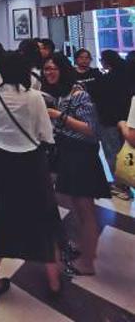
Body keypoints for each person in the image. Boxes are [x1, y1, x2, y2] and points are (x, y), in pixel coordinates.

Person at [0, 51, 61, 303]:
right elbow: (46, 135)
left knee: (3, 218)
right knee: (44, 216)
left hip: (3, 162)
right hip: (32, 163)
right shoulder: (35, 97)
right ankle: (53, 281)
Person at [42, 53, 110, 275]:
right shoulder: (63, 94)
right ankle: (84, 248)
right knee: (78, 209)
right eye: (46, 69)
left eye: (53, 68)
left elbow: (92, 130)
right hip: (69, 154)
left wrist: (59, 116)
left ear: (63, 70)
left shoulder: (79, 94)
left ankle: (88, 263)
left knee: (86, 210)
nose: (49, 73)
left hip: (82, 157)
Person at [96, 49, 133, 200]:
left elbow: (100, 100)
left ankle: (120, 186)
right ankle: (129, 181)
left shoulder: (106, 79)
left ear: (106, 62)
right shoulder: (127, 76)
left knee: (113, 153)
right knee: (127, 152)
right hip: (126, 120)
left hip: (109, 121)